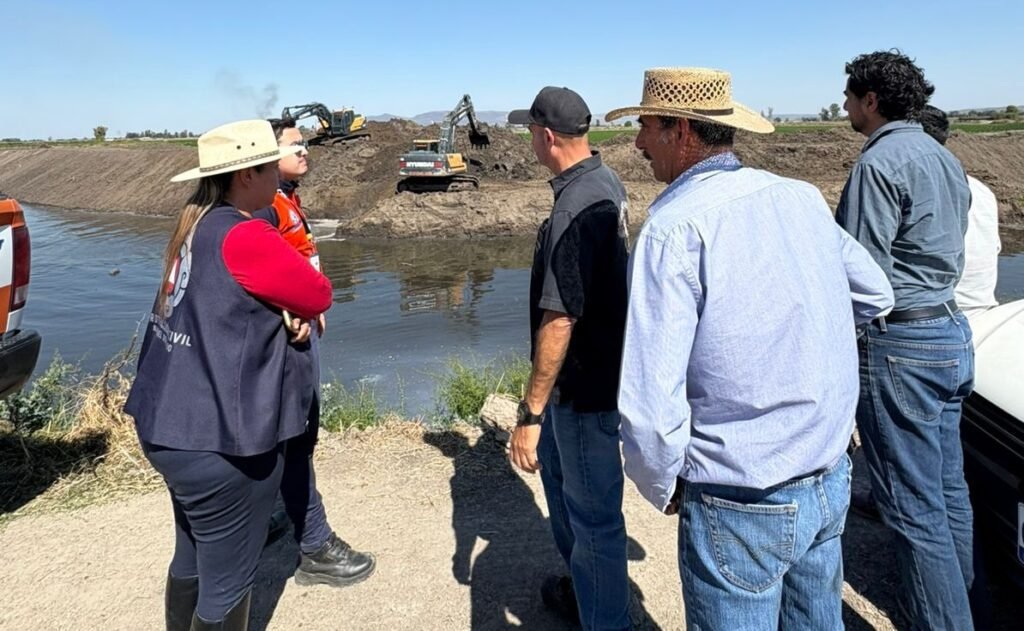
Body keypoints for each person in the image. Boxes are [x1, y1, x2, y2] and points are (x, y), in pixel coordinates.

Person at [606, 67, 893, 630]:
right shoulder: (799, 197)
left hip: (740, 494)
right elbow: (875, 294)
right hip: (828, 472)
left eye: (644, 127)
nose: (637, 143)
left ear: (680, 131)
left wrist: (661, 482)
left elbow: (650, 396)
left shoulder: (673, 228)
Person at [124, 120, 333, 630]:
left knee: (192, 554)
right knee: (229, 581)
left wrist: (281, 313)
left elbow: (221, 306)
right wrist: (294, 311)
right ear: (247, 176)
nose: (277, 178)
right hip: (219, 440)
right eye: (270, 168)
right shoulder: (246, 235)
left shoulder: (195, 223)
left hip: (167, 421)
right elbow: (318, 293)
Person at [836, 51, 976, 629]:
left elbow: (860, 273)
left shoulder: (878, 163)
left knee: (912, 508)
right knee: (948, 492)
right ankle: (967, 610)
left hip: (902, 345)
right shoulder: (945, 158)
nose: (845, 106)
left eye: (850, 97)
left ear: (871, 100)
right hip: (950, 330)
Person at [506, 86, 632, 630]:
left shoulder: (575, 206)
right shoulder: (604, 181)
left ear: (547, 136)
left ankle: (605, 617)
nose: (529, 141)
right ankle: (586, 594)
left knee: (594, 519)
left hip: (582, 390)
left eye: (530, 132)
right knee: (563, 488)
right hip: (587, 380)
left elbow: (560, 319)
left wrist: (530, 414)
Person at [253, 117, 376, 588]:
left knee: (282, 435)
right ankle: (315, 544)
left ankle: (266, 516)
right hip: (290, 340)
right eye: (295, 145)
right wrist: (293, 309)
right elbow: (259, 270)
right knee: (297, 435)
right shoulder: (265, 208)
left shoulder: (283, 199)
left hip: (298, 328)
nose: (305, 150)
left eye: (305, 142)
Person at [916, 106, 1002, 320]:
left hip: (940, 313)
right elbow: (995, 247)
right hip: (983, 306)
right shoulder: (981, 189)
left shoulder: (918, 187)